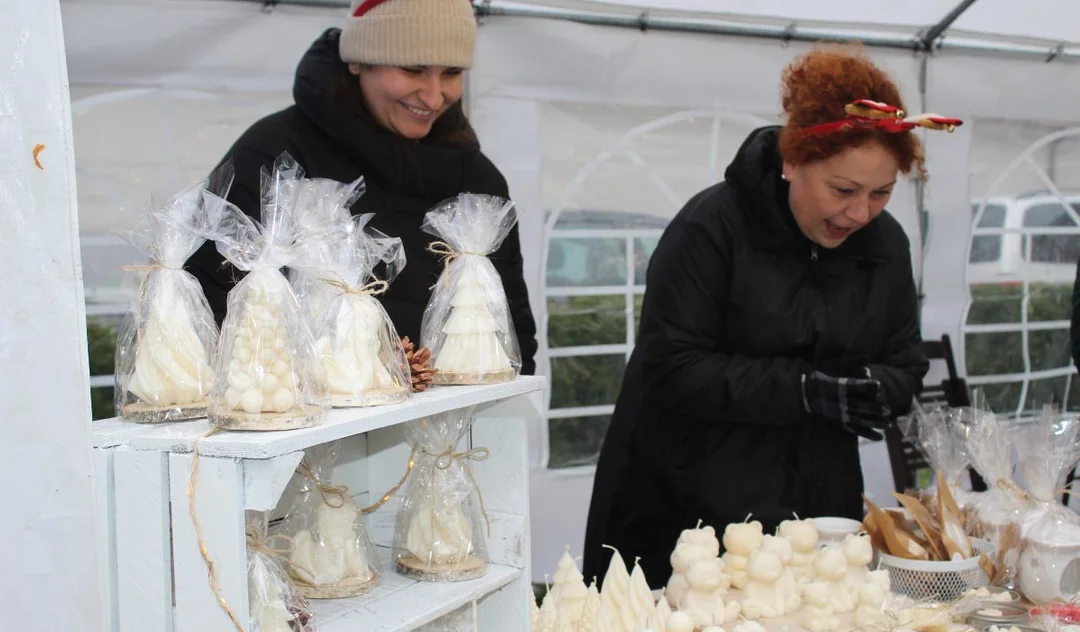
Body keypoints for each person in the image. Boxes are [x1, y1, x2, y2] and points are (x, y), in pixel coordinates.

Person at [582, 47, 963, 587]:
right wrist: (804, 388)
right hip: (690, 507)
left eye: (882, 193)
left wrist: (869, 389)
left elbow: (904, 366)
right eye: (843, 190)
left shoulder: (886, 245)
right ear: (792, 161)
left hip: (818, 507)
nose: (860, 214)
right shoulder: (712, 229)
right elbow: (670, 366)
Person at [185, 0, 537, 376]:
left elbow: (513, 328)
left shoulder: (476, 179)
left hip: (464, 427)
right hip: (308, 425)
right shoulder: (275, 156)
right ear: (358, 61)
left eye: (451, 72)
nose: (434, 97)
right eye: (413, 69)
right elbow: (211, 311)